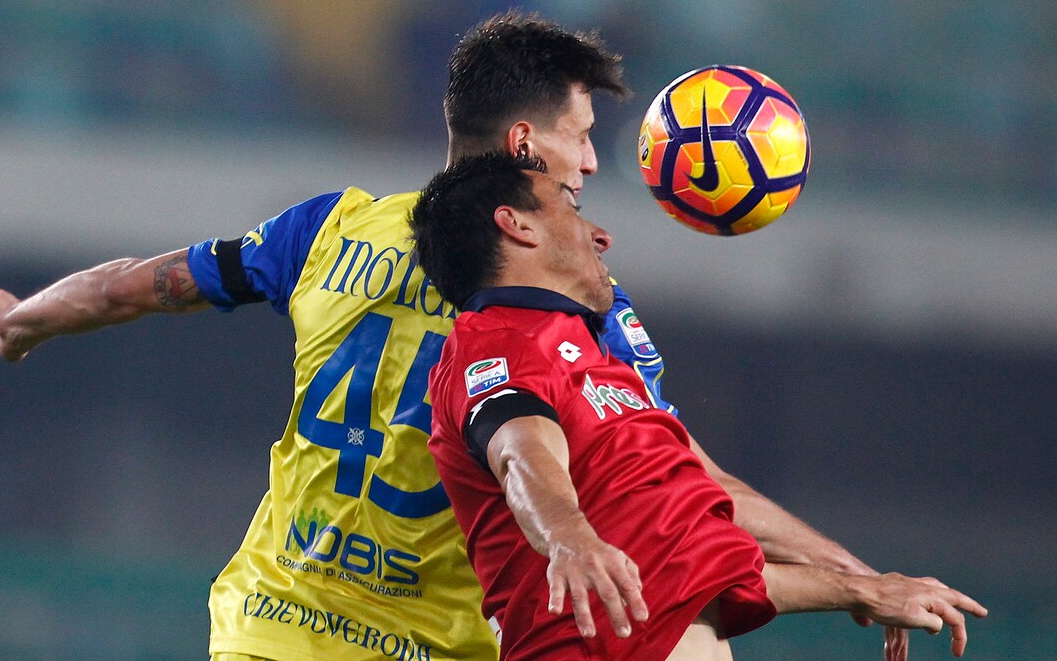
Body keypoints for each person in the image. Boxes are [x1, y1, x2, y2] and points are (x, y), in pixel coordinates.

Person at [0, 11, 927, 659]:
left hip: (272, 627)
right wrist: (854, 576)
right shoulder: (574, 314)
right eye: (583, 135)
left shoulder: (328, 229)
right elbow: (687, 482)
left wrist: (23, 318)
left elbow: (141, 285)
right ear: (525, 146)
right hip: (436, 644)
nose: (593, 163)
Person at [411, 150, 988, 661]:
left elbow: (716, 505)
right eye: (572, 207)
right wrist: (568, 535)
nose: (600, 234)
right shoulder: (494, 340)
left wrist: (864, 583)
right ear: (517, 225)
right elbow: (521, 452)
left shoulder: (609, 372)